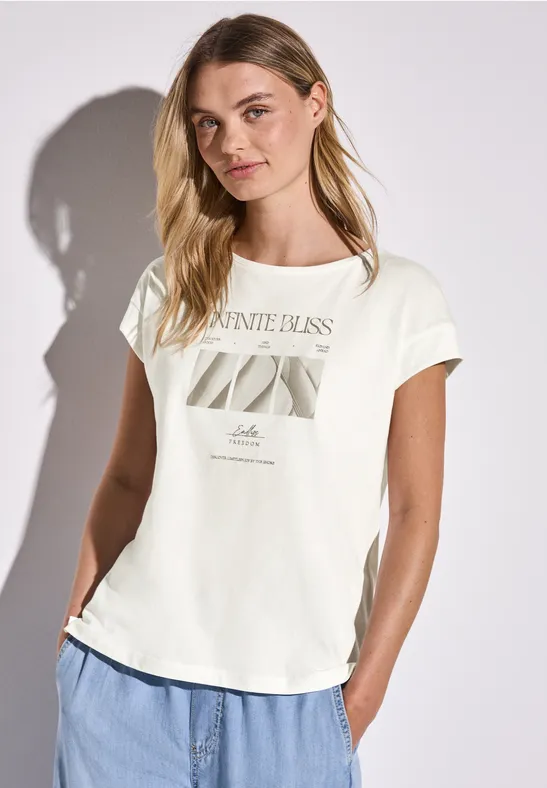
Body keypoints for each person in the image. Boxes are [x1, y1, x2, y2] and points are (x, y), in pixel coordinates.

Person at [52, 12, 463, 788]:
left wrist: (360, 697)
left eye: (255, 110)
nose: (230, 143)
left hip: (297, 702)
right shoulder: (171, 285)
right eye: (207, 122)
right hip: (125, 682)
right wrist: (74, 636)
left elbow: (415, 514)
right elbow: (128, 479)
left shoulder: (397, 299)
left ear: (315, 103)